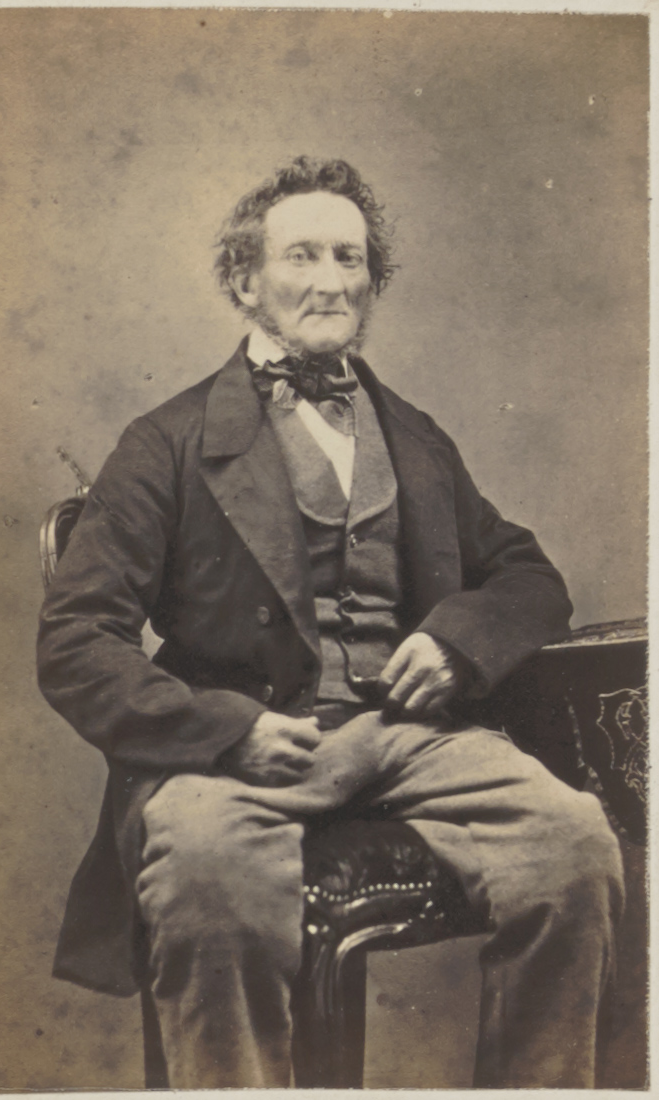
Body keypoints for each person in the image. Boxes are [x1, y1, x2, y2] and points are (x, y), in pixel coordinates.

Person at [37, 156, 624, 1089]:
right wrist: (227, 729)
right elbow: (76, 642)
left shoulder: (413, 436)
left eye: (349, 258)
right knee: (208, 883)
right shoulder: (165, 443)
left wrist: (457, 643)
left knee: (574, 845)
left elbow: (524, 574)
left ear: (371, 280)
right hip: (238, 750)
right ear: (245, 281)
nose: (330, 281)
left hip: (407, 738)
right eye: (301, 255)